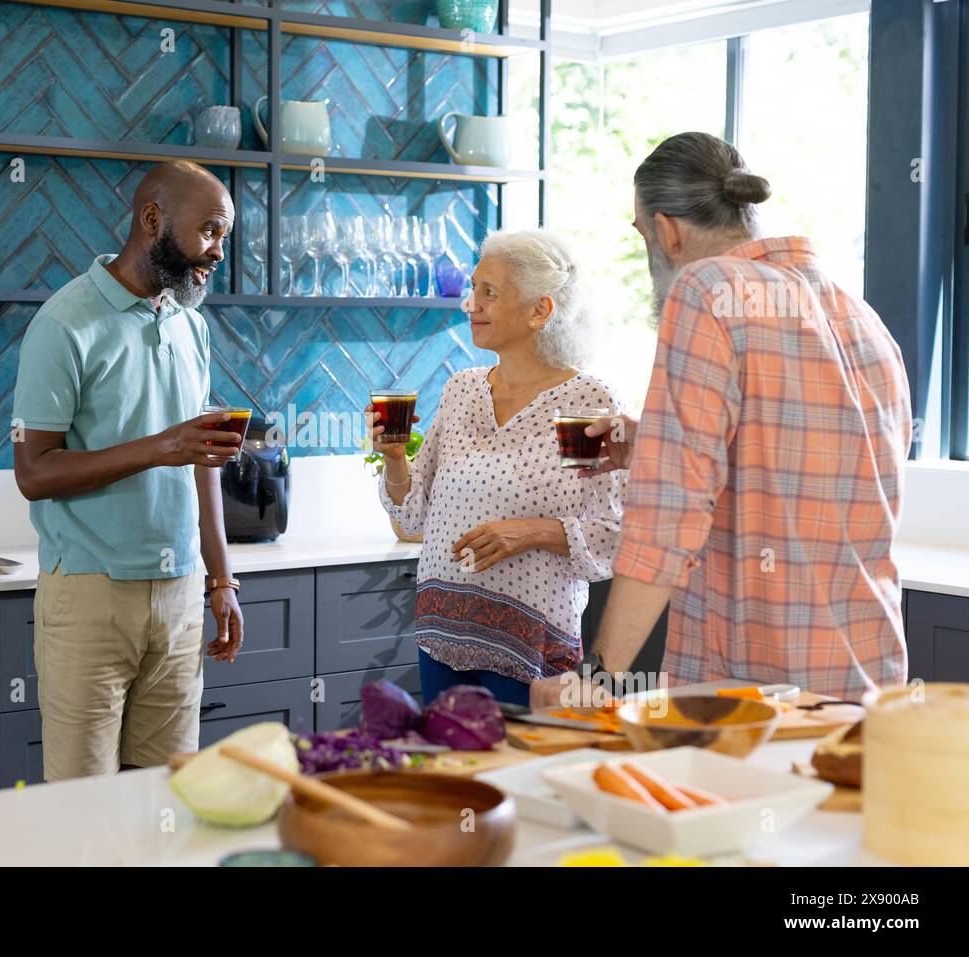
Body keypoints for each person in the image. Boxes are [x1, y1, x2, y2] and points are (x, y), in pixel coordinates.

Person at [531, 132, 912, 706]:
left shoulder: (705, 290)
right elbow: (809, 464)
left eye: (640, 235)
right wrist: (649, 443)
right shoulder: (855, 312)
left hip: (759, 686)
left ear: (667, 230)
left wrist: (596, 681)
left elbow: (667, 516)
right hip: (870, 679)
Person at [10, 160, 246, 779]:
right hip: (91, 595)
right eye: (210, 232)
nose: (219, 252)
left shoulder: (191, 326)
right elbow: (33, 471)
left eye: (224, 236)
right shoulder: (63, 324)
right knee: (84, 811)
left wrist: (221, 579)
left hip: (179, 595)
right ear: (152, 220)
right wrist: (161, 446)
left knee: (167, 799)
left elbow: (199, 460)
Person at [371, 230, 625, 707]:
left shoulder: (586, 403)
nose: (471, 304)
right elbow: (414, 520)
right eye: (473, 289)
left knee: (520, 771)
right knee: (453, 773)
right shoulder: (461, 389)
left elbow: (612, 534)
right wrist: (392, 456)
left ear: (539, 310)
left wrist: (531, 531)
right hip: (441, 635)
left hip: (530, 644)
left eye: (489, 293)